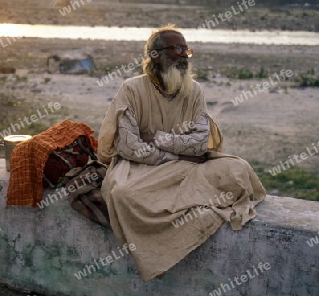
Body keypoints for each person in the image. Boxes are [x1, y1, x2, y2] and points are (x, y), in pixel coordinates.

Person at [98, 24, 266, 281]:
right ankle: (157, 254)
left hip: (187, 166)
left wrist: (159, 138)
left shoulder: (194, 91)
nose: (183, 55)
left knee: (237, 169)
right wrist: (176, 154)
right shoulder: (132, 89)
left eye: (185, 49)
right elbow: (129, 147)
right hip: (140, 167)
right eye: (176, 48)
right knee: (123, 193)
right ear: (154, 55)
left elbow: (200, 144)